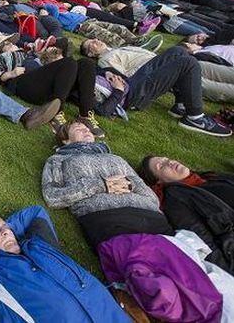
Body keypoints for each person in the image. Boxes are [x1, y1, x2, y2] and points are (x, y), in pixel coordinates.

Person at [0, 205, 130, 322]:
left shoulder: (39, 245)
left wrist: (5, 228)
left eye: (5, 227)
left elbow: (36, 213)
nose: (5, 231)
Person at [42, 121, 173, 248]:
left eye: (87, 129)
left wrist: (130, 184)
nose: (86, 130)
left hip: (151, 215)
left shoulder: (116, 158)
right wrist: (101, 185)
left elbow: (151, 197)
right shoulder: (59, 160)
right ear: (66, 140)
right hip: (108, 218)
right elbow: (53, 197)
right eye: (78, 129)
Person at [82, 41, 232, 136]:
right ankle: (195, 118)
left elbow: (96, 69)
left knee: (177, 51)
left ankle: (181, 106)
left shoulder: (78, 67)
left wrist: (107, 72)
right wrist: (118, 90)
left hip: (130, 83)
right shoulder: (73, 88)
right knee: (188, 63)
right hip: (130, 97)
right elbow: (102, 111)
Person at [139, 155, 234, 275]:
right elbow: (203, 241)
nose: (170, 162)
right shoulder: (176, 198)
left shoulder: (210, 177)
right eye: (162, 166)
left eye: (167, 159)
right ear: (158, 182)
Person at [0, 43, 105, 137]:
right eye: (8, 43)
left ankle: (85, 115)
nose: (12, 44)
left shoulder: (35, 52)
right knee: (70, 62)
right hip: (26, 83)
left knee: (86, 63)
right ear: (2, 47)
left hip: (56, 85)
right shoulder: (7, 56)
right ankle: (56, 113)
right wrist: (10, 74)